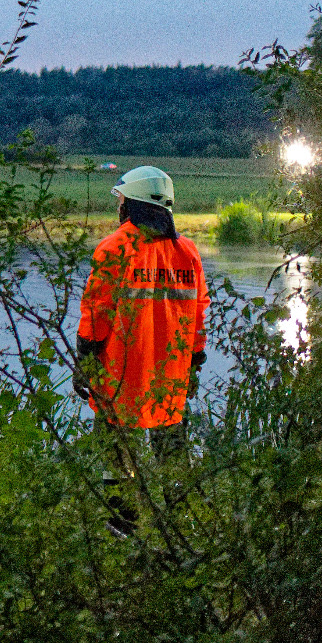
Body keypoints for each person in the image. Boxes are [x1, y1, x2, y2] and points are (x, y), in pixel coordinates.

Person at [74, 165, 210, 536]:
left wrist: (84, 361)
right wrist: (194, 363)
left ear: (131, 204)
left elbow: (95, 314)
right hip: (171, 374)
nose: (117, 207)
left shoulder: (115, 248)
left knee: (116, 452)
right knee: (172, 451)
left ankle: (123, 526)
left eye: (120, 200)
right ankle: (180, 526)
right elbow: (199, 314)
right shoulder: (187, 252)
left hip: (121, 372)